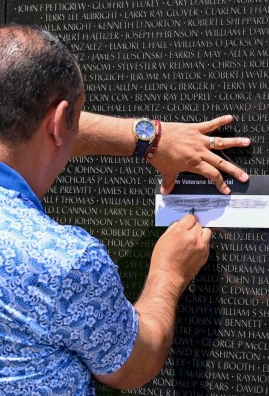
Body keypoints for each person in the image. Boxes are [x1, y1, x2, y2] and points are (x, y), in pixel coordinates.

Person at [0, 23, 250, 394]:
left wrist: (151, 139)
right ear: (59, 121)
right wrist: (168, 274)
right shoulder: (66, 261)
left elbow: (30, 121)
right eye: (77, 117)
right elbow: (134, 366)